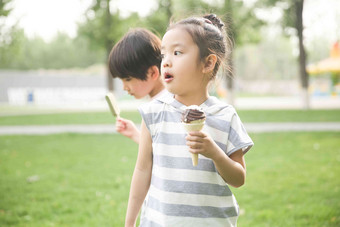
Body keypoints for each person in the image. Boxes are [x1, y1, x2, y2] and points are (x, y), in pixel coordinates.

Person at [125, 14, 254, 227]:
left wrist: (215, 153)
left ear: (208, 63)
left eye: (177, 53)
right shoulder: (154, 113)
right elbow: (142, 170)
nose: (166, 61)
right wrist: (129, 223)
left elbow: (238, 179)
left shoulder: (226, 116)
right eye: (164, 54)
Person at [108, 28, 166, 144]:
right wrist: (135, 134)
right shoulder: (156, 105)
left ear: (153, 73)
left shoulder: (165, 107)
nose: (125, 87)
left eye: (128, 79)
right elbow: (159, 152)